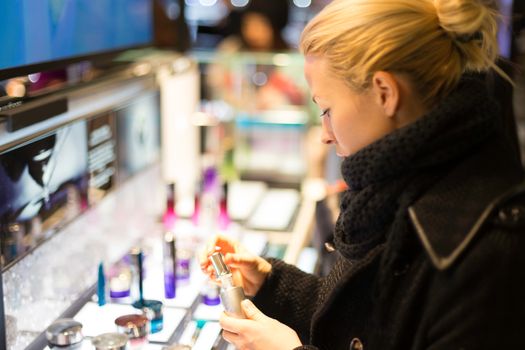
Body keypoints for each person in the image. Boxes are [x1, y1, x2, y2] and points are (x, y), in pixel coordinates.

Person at [200, 0, 525, 348]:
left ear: (385, 93)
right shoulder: (399, 184)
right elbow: (365, 321)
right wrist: (269, 283)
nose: (325, 133)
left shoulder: (486, 249)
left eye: (327, 109)